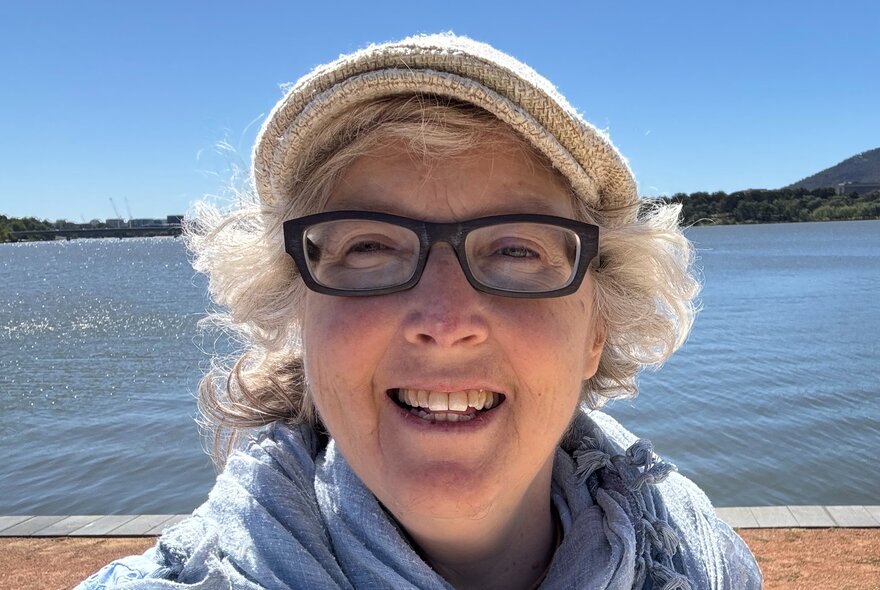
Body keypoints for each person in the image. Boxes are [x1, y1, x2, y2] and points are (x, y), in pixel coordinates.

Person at [79, 33, 761, 589]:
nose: (443, 316)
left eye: (517, 250)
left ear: (597, 333)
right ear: (300, 317)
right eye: (370, 245)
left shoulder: (704, 561)